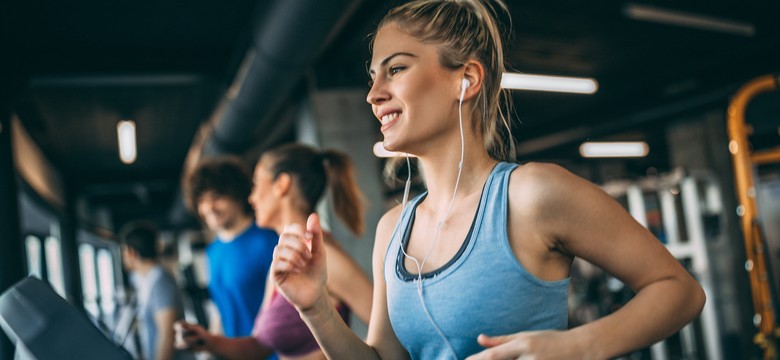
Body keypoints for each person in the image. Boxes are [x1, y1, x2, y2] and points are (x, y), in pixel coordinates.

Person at [269, 1, 707, 359]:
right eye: (373, 76)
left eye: (396, 69)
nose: (373, 93)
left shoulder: (531, 196)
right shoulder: (393, 229)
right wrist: (317, 309)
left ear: (467, 79)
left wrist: (577, 344)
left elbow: (679, 291)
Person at [175, 143, 372, 360]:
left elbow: (392, 335)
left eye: (256, 184)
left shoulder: (324, 257)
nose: (252, 198)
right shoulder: (281, 255)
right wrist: (207, 340)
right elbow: (259, 345)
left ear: (282, 184)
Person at [184, 157, 279, 338]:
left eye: (217, 197)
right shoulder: (212, 251)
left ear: (238, 195)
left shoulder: (269, 242)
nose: (209, 208)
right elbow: (221, 308)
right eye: (201, 201)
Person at [120, 221, 195, 360]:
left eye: (123, 251)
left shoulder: (160, 281)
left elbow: (167, 333)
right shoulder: (145, 279)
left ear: (131, 252)